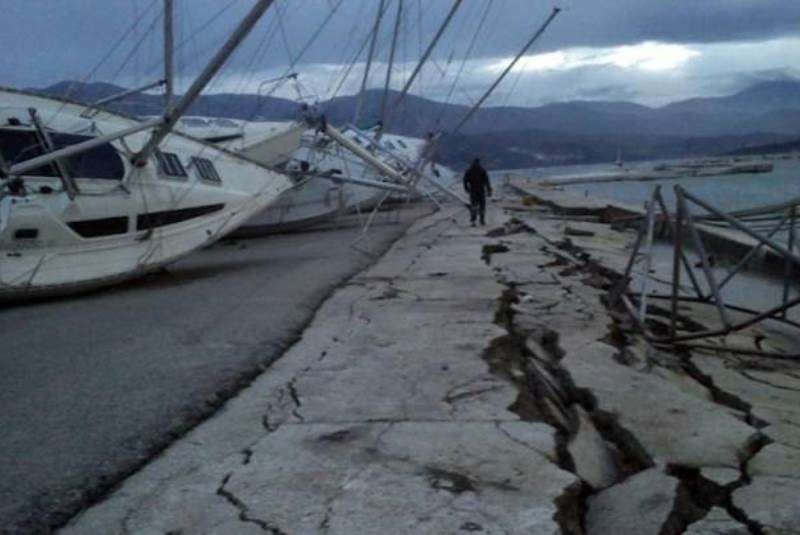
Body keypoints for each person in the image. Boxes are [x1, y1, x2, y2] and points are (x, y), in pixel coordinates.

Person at [463, 158, 492, 226]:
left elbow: (464, 181)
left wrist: (466, 188)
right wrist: (489, 190)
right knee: (482, 206)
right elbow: (487, 181)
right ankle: (482, 220)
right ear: (479, 162)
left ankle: (473, 221)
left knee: (474, 206)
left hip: (473, 191)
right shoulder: (482, 170)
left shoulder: (468, 171)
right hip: (481, 191)